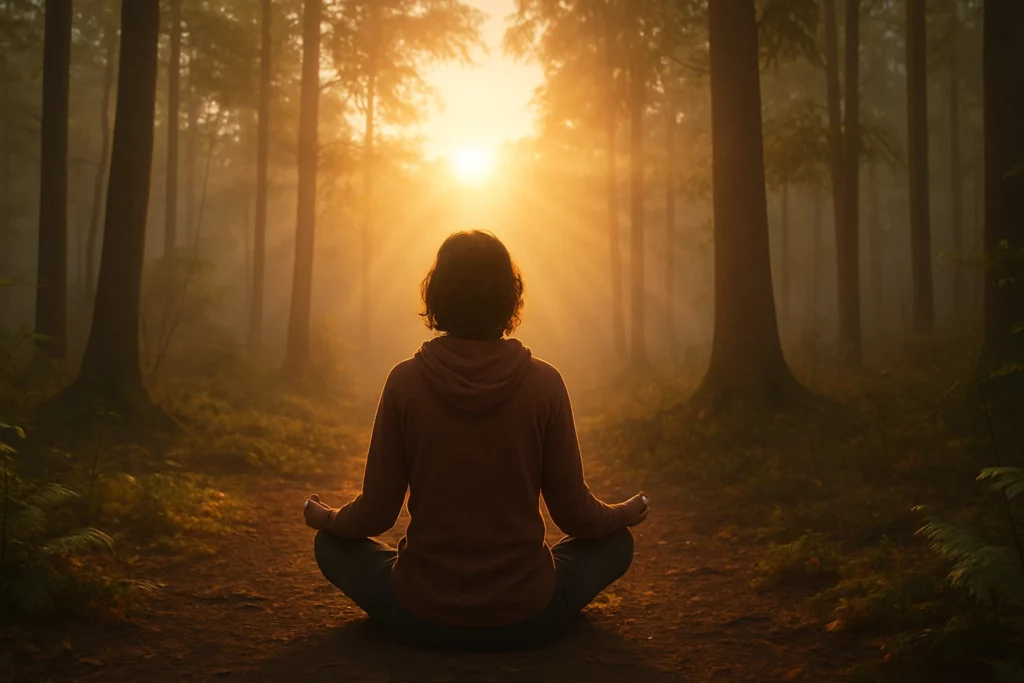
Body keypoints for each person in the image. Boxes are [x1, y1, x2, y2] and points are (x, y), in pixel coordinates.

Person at [303, 230, 649, 650]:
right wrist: (623, 514)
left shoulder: (404, 383)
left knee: (330, 547)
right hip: (527, 616)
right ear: (510, 298)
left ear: (437, 296)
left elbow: (375, 514)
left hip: (419, 613)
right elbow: (576, 517)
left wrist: (328, 519)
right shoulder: (545, 384)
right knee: (616, 543)